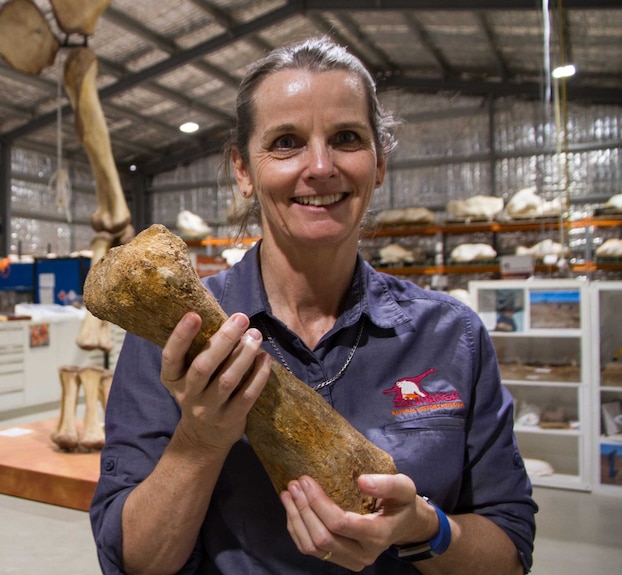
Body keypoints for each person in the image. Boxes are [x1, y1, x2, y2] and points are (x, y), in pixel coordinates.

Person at [89, 36, 537, 574]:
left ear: (380, 163)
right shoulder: (178, 335)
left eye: (346, 138)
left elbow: (509, 554)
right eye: (286, 142)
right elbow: (132, 561)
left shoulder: (452, 336)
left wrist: (424, 528)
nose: (320, 166)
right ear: (243, 171)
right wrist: (198, 442)